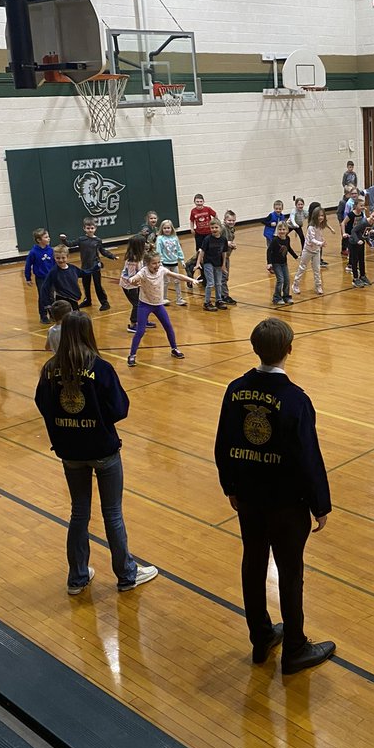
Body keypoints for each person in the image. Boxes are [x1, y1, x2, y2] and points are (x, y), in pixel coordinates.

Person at [214, 317, 335, 674]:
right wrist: (320, 505)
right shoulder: (296, 399)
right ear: (290, 350)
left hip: (249, 499)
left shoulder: (235, 389)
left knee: (253, 564)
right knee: (289, 571)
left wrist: (230, 487)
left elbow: (223, 445)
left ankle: (261, 637)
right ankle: (295, 647)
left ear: (255, 348)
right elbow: (307, 457)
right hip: (286, 504)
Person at [34, 311, 158, 595]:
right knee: (112, 512)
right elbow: (119, 409)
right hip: (103, 449)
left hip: (70, 452)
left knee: (79, 512)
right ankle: (126, 574)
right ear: (89, 333)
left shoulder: (50, 369)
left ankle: (77, 577)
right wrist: (96, 417)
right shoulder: (99, 368)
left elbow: (43, 405)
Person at [123, 251, 195, 365]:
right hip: (145, 305)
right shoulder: (143, 272)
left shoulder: (161, 270)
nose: (157, 265)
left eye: (158, 262)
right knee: (140, 331)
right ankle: (132, 355)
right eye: (154, 263)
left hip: (158, 305)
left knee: (168, 326)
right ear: (147, 264)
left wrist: (191, 280)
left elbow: (177, 275)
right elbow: (134, 278)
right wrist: (132, 281)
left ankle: (174, 349)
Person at [195, 219, 232, 311]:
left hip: (218, 264)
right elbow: (202, 251)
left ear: (220, 228)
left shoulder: (223, 239)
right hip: (208, 263)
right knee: (210, 283)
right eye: (212, 228)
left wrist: (223, 264)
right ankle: (206, 302)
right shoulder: (207, 239)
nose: (214, 229)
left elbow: (224, 252)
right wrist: (198, 263)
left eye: (216, 227)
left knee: (218, 283)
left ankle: (218, 300)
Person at [292, 206, 327, 296]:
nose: (321, 218)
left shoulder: (320, 226)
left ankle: (318, 286)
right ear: (315, 216)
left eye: (322, 216)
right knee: (302, 267)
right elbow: (312, 240)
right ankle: (295, 285)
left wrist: (322, 240)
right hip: (308, 250)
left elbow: (319, 236)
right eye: (319, 216)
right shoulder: (311, 227)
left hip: (316, 251)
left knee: (317, 269)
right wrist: (320, 243)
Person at [24, 228, 56, 323]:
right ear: (39, 240)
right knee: (43, 296)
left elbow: (54, 263)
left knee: (52, 296)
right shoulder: (34, 252)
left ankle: (52, 313)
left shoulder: (51, 250)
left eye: (48, 236)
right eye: (46, 237)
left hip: (51, 277)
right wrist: (28, 277)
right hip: (41, 278)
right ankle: (43, 315)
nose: (49, 238)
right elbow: (28, 265)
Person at [155, 219, 187, 306]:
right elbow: (159, 250)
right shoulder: (160, 238)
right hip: (165, 263)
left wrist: (182, 260)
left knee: (177, 280)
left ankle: (179, 298)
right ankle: (164, 298)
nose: (167, 230)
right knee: (165, 281)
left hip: (174, 263)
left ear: (171, 228)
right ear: (162, 229)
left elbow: (178, 249)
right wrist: (159, 261)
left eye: (168, 228)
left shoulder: (175, 238)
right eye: (165, 228)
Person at [42, 245, 83, 311]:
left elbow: (84, 273)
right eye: (58, 258)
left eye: (63, 258)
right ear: (54, 257)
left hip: (73, 299)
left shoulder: (72, 268)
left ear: (67, 257)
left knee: (75, 318)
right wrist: (47, 304)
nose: (61, 260)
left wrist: (95, 268)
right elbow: (45, 287)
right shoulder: (53, 272)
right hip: (62, 300)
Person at [120, 235, 148, 332]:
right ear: (139, 246)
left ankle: (143, 320)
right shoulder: (132, 260)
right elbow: (131, 277)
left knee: (144, 302)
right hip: (129, 286)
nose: (146, 245)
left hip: (136, 284)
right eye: (144, 243)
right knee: (137, 304)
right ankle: (132, 325)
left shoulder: (140, 255)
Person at [268, 221, 298, 305]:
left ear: (287, 230)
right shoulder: (275, 240)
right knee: (280, 280)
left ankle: (286, 296)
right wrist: (269, 263)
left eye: (283, 229)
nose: (282, 231)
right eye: (280, 229)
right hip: (276, 263)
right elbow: (269, 251)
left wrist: (296, 256)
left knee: (287, 280)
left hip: (284, 263)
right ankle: (276, 298)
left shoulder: (287, 239)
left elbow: (289, 248)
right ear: (277, 230)